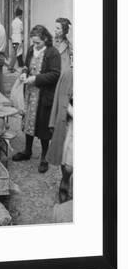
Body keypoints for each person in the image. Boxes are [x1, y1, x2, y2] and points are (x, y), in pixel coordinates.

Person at [12, 25, 61, 173]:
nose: (35, 45)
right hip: (30, 93)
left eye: (38, 42)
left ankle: (44, 157)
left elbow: (55, 74)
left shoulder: (53, 53)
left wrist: (36, 78)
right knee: (28, 121)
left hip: (44, 95)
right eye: (34, 42)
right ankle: (27, 151)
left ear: (46, 39)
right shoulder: (31, 50)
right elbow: (26, 65)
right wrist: (24, 73)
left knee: (43, 126)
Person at [46, 65, 73, 203]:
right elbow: (58, 98)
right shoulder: (68, 74)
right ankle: (65, 182)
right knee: (67, 160)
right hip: (70, 123)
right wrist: (53, 121)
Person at [8, 7, 24, 72]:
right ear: (20, 15)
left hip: (14, 39)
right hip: (18, 39)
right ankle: (11, 67)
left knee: (17, 52)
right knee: (16, 53)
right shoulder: (20, 22)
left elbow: (12, 30)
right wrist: (22, 39)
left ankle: (20, 65)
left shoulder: (13, 21)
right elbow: (21, 30)